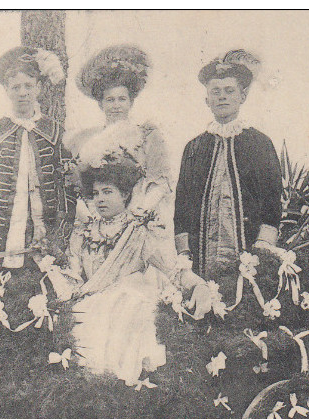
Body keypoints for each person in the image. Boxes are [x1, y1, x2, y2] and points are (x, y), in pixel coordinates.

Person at [68, 153, 211, 386]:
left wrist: (198, 285)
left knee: (126, 304)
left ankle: (116, 386)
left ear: (125, 195)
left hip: (128, 305)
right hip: (88, 300)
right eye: (95, 194)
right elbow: (72, 272)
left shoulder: (140, 232)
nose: (100, 200)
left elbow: (173, 269)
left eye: (108, 192)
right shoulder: (83, 232)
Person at [0, 46, 74, 271]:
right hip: (0, 246)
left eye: (28, 86)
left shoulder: (59, 136)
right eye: (15, 87)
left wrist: (60, 240)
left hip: (47, 247)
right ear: (6, 89)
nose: (22, 93)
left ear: (39, 88)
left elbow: (67, 193)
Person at [173, 50, 282, 279]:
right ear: (207, 100)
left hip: (250, 253)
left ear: (242, 96)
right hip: (201, 256)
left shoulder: (260, 143)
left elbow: (272, 198)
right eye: (216, 92)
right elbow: (182, 204)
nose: (222, 97)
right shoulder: (193, 148)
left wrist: (263, 245)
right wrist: (183, 252)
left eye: (229, 91)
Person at [67, 44, 172, 229]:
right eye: (110, 100)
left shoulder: (147, 136)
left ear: (131, 102)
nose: (116, 106)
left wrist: (138, 216)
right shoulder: (84, 140)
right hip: (96, 222)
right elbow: (76, 187)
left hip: (137, 222)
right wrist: (91, 218)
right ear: (101, 104)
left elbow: (159, 182)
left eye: (122, 99)